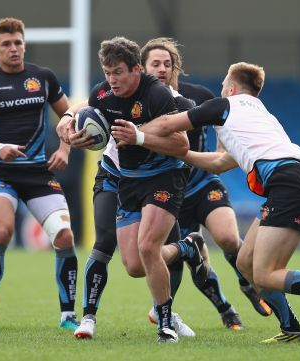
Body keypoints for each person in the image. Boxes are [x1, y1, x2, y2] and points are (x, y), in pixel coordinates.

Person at [123, 61, 300, 344]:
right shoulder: (261, 114)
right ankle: (292, 329)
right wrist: (179, 155)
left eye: (224, 84)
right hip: (292, 182)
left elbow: (168, 124)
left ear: (232, 88)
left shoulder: (224, 105)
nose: (221, 89)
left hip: (289, 185)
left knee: (265, 274)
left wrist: (134, 134)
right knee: (245, 262)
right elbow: (220, 162)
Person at [58, 36, 206, 343]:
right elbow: (88, 113)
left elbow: (181, 144)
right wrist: (74, 133)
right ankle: (187, 247)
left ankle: (164, 324)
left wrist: (138, 137)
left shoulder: (157, 95)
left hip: (165, 176)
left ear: (136, 70)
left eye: (118, 73)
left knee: (149, 247)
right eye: (107, 72)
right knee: (135, 266)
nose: (111, 79)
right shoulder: (103, 93)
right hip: (126, 178)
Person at [139, 38, 272, 331]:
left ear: (176, 67)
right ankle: (225, 308)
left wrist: (222, 156)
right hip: (171, 195)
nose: (162, 69)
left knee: (226, 236)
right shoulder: (139, 103)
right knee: (196, 262)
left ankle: (247, 281)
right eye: (156, 65)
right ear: (144, 70)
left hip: (202, 182)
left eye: (167, 64)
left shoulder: (197, 95)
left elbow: (226, 124)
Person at [0, 17, 79, 331]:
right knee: (1, 233)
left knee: (65, 236)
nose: (14, 49)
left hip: (38, 174)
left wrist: (65, 149)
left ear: (24, 44)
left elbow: (69, 116)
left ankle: (68, 315)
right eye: (7, 44)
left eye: (18, 43)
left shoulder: (43, 77)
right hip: (1, 173)